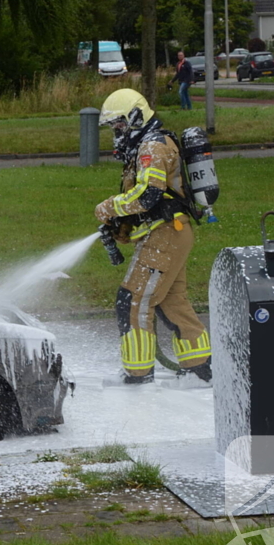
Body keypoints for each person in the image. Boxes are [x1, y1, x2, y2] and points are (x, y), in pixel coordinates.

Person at [94, 88, 212, 384]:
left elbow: (148, 194)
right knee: (173, 303)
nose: (116, 132)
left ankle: (138, 374)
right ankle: (200, 368)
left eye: (119, 125)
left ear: (135, 117)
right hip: (171, 232)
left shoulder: (152, 147)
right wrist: (120, 228)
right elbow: (146, 202)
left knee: (132, 300)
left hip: (167, 234)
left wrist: (110, 206)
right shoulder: (145, 147)